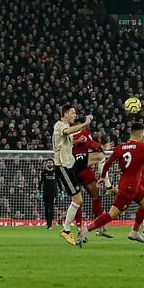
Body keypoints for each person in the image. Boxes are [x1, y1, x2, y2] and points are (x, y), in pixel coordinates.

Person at [84, 121, 144, 244]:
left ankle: (135, 232)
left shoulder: (121, 147)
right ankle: (86, 229)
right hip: (129, 188)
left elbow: (108, 163)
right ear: (141, 135)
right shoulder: (142, 147)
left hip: (133, 185)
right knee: (112, 214)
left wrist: (103, 177)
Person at [52, 104, 92, 246]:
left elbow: (67, 140)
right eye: (73, 113)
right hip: (63, 166)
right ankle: (66, 230)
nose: (75, 115)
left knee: (78, 199)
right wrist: (85, 124)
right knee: (77, 199)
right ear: (66, 114)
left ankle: (67, 229)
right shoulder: (59, 125)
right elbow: (67, 131)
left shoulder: (64, 128)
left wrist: (77, 141)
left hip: (69, 166)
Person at [71, 124, 113, 238]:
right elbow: (91, 144)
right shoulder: (84, 131)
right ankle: (109, 186)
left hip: (74, 167)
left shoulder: (67, 132)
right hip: (79, 166)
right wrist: (101, 146)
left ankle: (84, 227)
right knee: (100, 156)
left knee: (79, 200)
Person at [40, 158, 58, 229]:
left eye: (51, 163)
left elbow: (58, 182)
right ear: (46, 164)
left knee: (51, 208)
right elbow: (41, 181)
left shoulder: (55, 172)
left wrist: (61, 191)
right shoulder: (44, 172)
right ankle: (48, 223)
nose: (50, 164)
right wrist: (38, 190)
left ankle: (50, 224)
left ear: (53, 164)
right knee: (46, 208)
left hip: (53, 193)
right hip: (45, 193)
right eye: (48, 163)